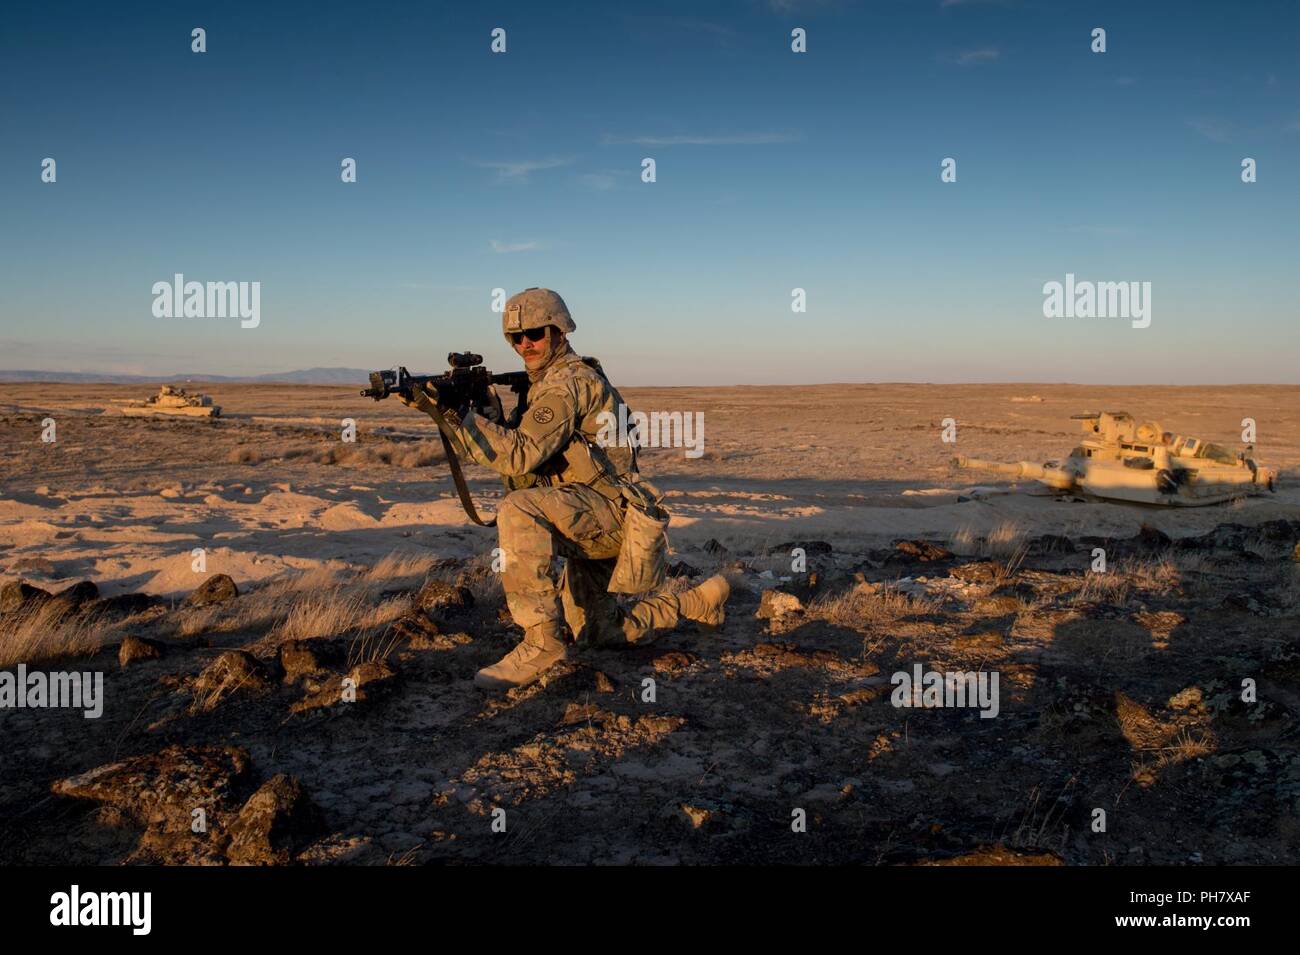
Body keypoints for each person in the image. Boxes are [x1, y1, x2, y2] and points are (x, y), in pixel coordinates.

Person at [401, 288, 730, 690]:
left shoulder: (567, 384)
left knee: (519, 509)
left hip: (605, 516)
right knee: (600, 633)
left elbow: (519, 456)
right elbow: (518, 451)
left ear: (559, 329)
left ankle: (541, 642)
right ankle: (697, 601)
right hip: (590, 513)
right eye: (515, 338)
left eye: (535, 333)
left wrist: (454, 414)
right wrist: (475, 410)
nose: (525, 345)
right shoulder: (548, 382)